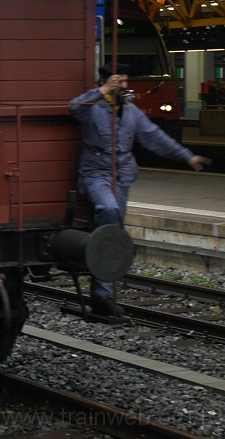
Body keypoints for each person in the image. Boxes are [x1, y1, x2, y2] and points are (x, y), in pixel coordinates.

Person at [69, 63, 210, 318]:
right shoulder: (92, 106)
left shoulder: (131, 111)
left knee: (115, 232)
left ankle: (104, 297)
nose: (125, 87)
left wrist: (187, 157)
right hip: (96, 174)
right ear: (107, 82)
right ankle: (102, 295)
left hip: (122, 176)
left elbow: (155, 137)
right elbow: (74, 107)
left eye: (125, 82)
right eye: (119, 82)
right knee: (108, 211)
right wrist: (101, 91)